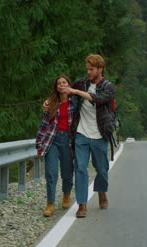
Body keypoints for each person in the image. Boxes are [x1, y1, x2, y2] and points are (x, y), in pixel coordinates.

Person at [43, 54, 116, 218]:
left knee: (102, 170)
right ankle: (82, 205)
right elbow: (62, 90)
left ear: (100, 69)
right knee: (81, 169)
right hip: (81, 134)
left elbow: (97, 99)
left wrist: (75, 91)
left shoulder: (108, 87)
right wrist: (48, 101)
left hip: (100, 135)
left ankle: (102, 192)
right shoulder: (82, 83)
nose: (88, 72)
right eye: (87, 69)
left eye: (92, 69)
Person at [35, 75, 76, 217]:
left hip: (68, 141)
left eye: (64, 82)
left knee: (67, 172)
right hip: (52, 140)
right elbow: (44, 125)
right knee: (51, 173)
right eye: (59, 83)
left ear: (69, 85)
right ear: (56, 87)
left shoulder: (75, 102)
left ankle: (66, 194)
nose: (61, 85)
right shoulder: (51, 103)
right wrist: (39, 145)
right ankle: (50, 204)